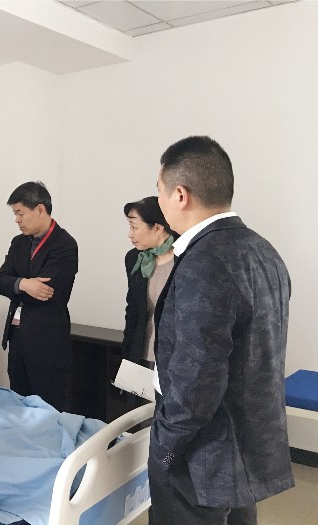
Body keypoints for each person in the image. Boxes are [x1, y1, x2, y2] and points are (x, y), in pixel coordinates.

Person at [150, 136, 294, 525]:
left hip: (203, 456)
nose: (159, 200)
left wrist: (165, 447)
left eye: (160, 191)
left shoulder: (205, 261)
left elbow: (196, 380)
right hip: (246, 446)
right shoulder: (262, 251)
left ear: (180, 194)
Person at [0, 181, 78, 412]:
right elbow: (0, 281)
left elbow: (44, 293)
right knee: (19, 404)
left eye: (20, 213)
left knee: (49, 408)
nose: (17, 220)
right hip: (17, 337)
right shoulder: (18, 242)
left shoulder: (64, 244)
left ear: (40, 209)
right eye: (15, 214)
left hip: (47, 341)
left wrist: (15, 285)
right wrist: (23, 283)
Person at [123, 196, 176, 369]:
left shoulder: (186, 259)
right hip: (142, 355)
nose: (130, 234)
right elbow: (133, 311)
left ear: (158, 228)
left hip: (175, 359)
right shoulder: (135, 258)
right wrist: (127, 356)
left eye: (134, 227)